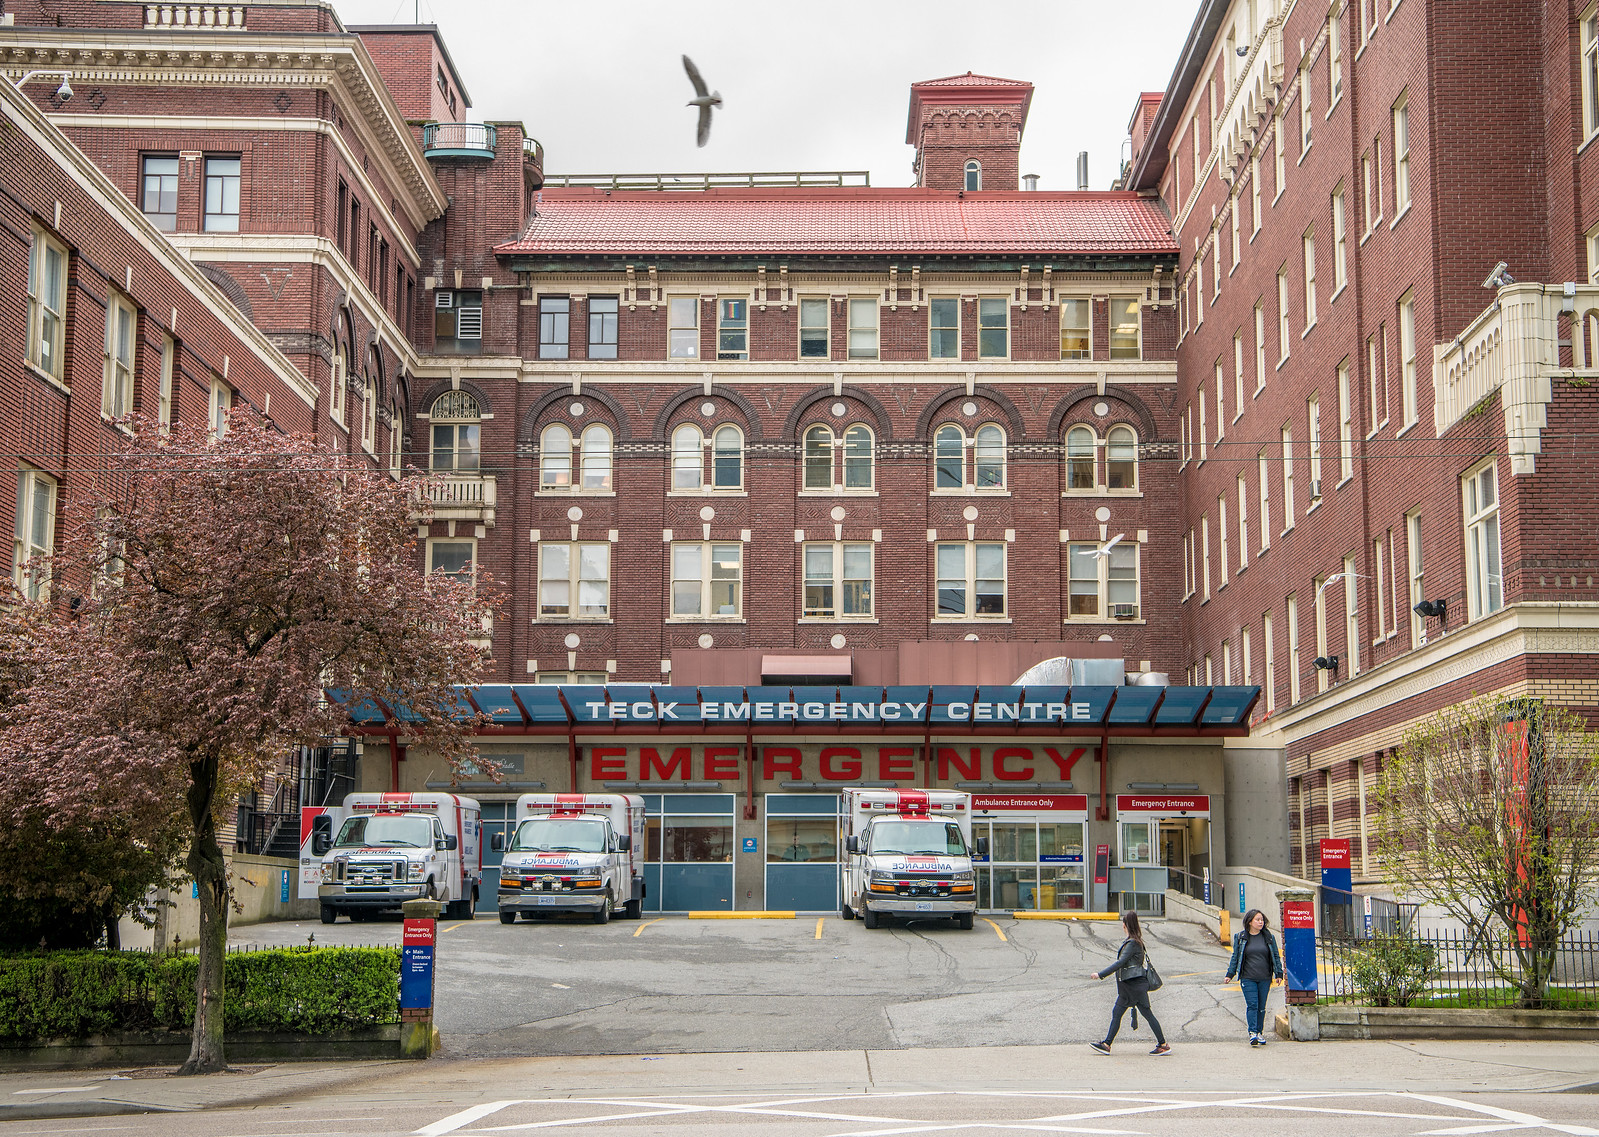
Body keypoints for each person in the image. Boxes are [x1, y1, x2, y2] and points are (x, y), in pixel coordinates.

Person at [1087, 911, 1170, 1055]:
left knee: (1145, 1014)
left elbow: (1120, 963)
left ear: (1125, 925)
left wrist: (1100, 975)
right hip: (1131, 987)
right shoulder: (1135, 941)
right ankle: (1107, 1044)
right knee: (1119, 1013)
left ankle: (1162, 1044)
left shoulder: (1132, 943)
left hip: (1134, 987)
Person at [1224, 908, 1284, 1045]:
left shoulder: (1268, 937)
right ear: (1250, 922)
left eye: (1262, 920)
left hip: (1265, 977)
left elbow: (1275, 955)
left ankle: (1259, 1032)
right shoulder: (1241, 938)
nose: (1260, 922)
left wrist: (1278, 973)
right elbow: (1235, 957)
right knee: (1252, 1004)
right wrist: (1230, 974)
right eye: (1257, 920)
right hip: (1248, 977)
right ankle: (1252, 1033)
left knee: (1261, 1006)